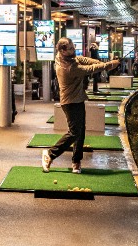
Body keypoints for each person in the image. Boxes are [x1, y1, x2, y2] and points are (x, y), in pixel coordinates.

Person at [42, 37, 120, 174]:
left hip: (77, 99)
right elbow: (88, 69)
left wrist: (101, 62)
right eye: (71, 49)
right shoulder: (68, 68)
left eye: (73, 47)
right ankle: (50, 154)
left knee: (81, 131)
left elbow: (82, 59)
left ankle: (76, 161)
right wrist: (107, 65)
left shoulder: (63, 57)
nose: (74, 50)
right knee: (74, 132)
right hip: (70, 102)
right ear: (63, 50)